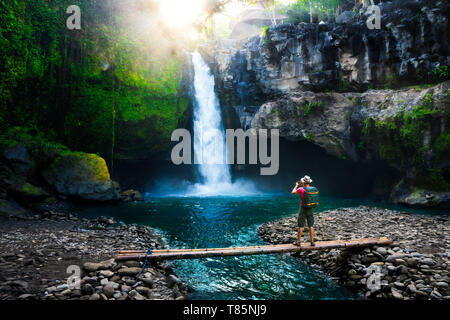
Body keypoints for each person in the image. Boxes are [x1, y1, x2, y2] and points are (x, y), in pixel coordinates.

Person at [291, 175, 316, 247]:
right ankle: (312, 242)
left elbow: (292, 192)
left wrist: (296, 186)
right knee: (311, 225)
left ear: (303, 183)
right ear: (309, 182)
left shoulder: (301, 189)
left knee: (301, 225)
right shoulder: (312, 189)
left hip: (303, 208)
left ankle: (298, 242)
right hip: (310, 208)